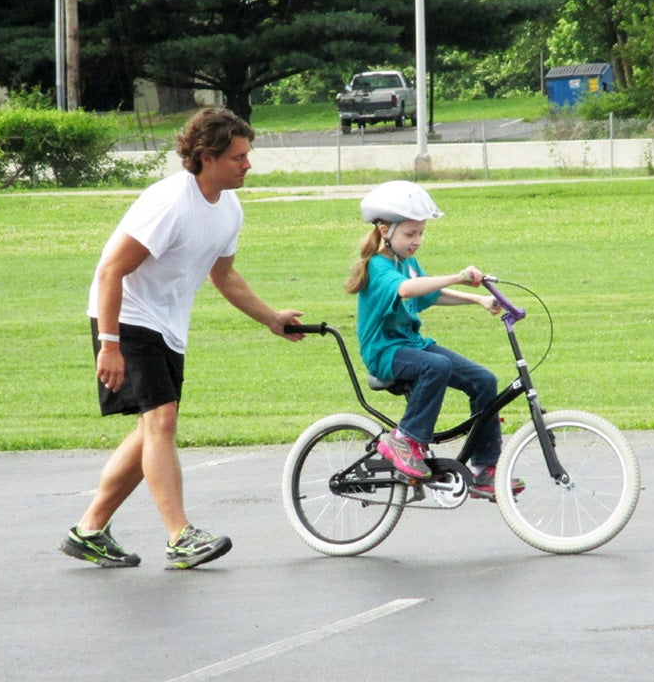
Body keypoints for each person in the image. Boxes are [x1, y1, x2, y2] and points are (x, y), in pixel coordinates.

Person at [59, 107, 304, 570]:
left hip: (167, 325)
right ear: (206, 157)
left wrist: (271, 318)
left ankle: (89, 530)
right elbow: (112, 270)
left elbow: (224, 276)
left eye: (247, 155)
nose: (247, 165)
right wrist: (108, 344)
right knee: (162, 421)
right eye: (238, 157)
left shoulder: (229, 207)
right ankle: (179, 536)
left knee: (151, 428)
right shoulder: (169, 203)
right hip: (128, 317)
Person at [344, 180, 523, 500]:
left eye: (421, 233)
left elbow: (430, 293)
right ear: (385, 230)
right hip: (384, 351)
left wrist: (477, 300)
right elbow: (407, 290)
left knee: (484, 380)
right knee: (435, 366)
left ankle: (485, 469)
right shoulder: (378, 266)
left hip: (411, 345)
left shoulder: (407, 263)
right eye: (410, 234)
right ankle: (403, 439)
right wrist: (458, 276)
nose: (417, 241)